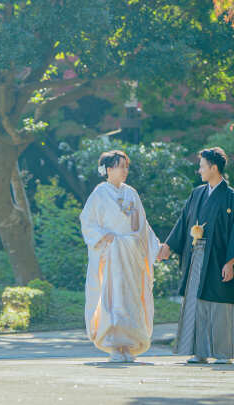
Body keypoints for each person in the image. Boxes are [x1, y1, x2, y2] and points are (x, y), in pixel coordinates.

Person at [157, 147, 234, 364]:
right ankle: (198, 351)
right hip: (196, 256)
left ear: (213, 168)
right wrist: (168, 246)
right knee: (195, 302)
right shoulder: (197, 193)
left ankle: (223, 353)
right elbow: (183, 222)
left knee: (219, 303)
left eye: (202, 166)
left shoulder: (231, 198)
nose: (199, 170)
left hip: (218, 258)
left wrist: (230, 263)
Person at [79, 150, 161, 362]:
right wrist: (102, 236)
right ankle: (114, 346)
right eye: (120, 166)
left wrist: (155, 247)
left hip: (131, 254)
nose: (125, 170)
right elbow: (87, 221)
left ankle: (129, 345)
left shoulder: (131, 193)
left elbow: (143, 225)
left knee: (131, 298)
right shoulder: (99, 193)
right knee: (112, 299)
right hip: (111, 254)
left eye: (126, 166)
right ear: (108, 169)